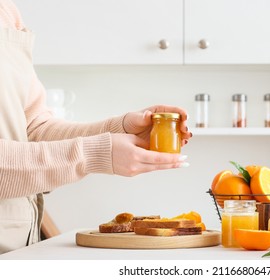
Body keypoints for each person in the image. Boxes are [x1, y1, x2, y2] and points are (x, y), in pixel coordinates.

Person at [0, 0, 192, 254]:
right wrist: (95, 154)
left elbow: (33, 128)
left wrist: (119, 129)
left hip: (19, 249)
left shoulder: (7, 12)